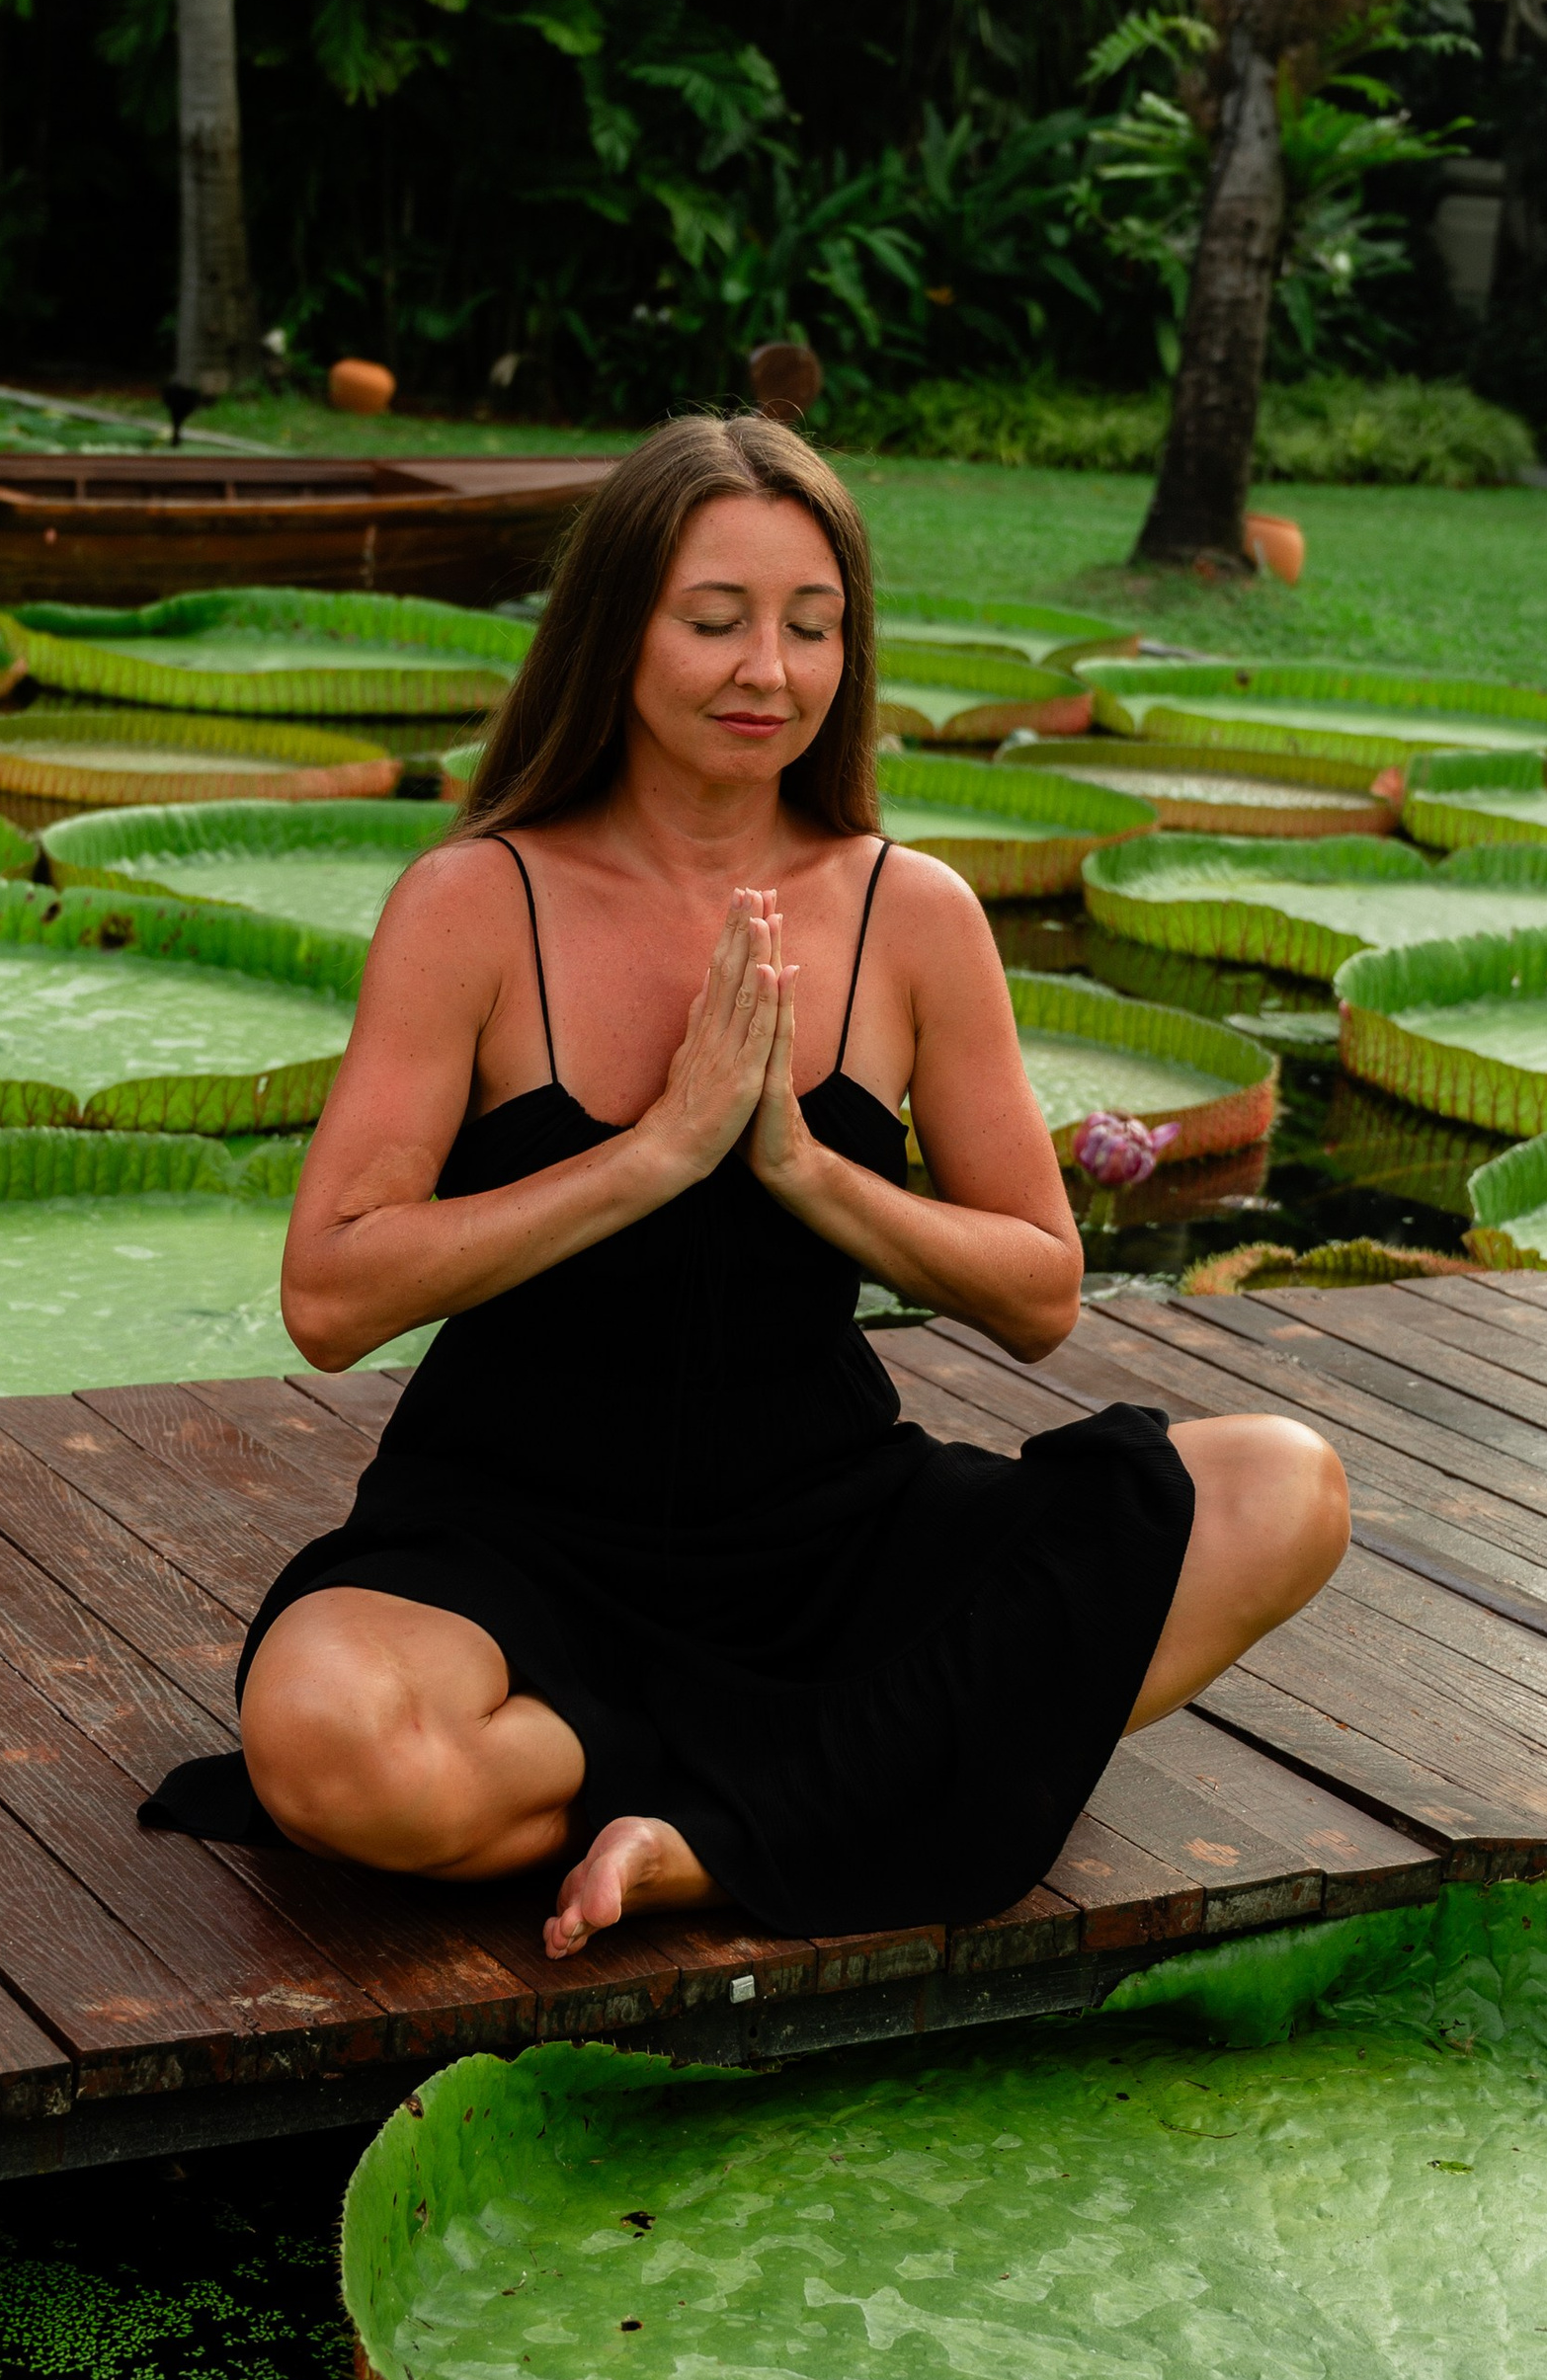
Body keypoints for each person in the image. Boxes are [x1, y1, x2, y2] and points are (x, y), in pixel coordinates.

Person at [143, 414, 1348, 1954]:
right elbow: (331, 1295)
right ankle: (840, 1772)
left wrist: (797, 1165)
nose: (764, 672)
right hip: (510, 1532)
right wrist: (651, 1156)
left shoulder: (911, 914)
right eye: (713, 623)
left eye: (811, 627)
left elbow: (1041, 1294)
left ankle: (697, 1848)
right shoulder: (477, 900)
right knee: (325, 1741)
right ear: (618, 631)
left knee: (1282, 1489)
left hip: (824, 1530)